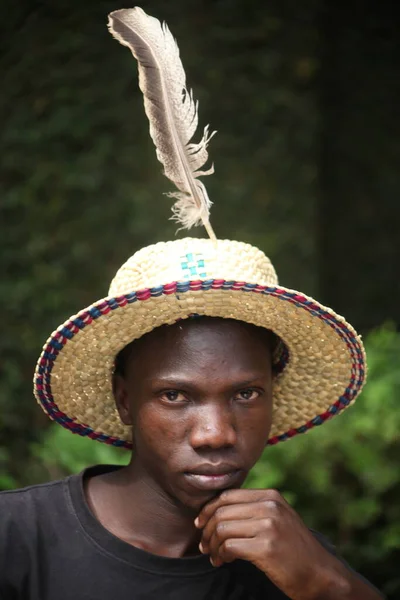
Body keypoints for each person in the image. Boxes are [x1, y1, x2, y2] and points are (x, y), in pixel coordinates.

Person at [0, 7, 384, 600]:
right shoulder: (17, 540)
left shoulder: (292, 567)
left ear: (273, 392)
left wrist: (328, 583)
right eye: (175, 395)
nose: (215, 433)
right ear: (125, 398)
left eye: (245, 393)